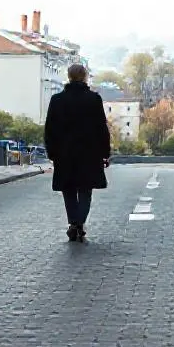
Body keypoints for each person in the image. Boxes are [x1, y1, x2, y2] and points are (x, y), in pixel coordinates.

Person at [43, 64, 111, 242]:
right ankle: (79, 223)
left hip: (64, 153)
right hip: (89, 153)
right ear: (85, 77)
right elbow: (101, 128)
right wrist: (105, 152)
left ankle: (74, 222)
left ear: (68, 76)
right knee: (85, 190)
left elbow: (49, 129)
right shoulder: (94, 99)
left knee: (68, 189)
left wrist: (51, 152)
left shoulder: (57, 100)